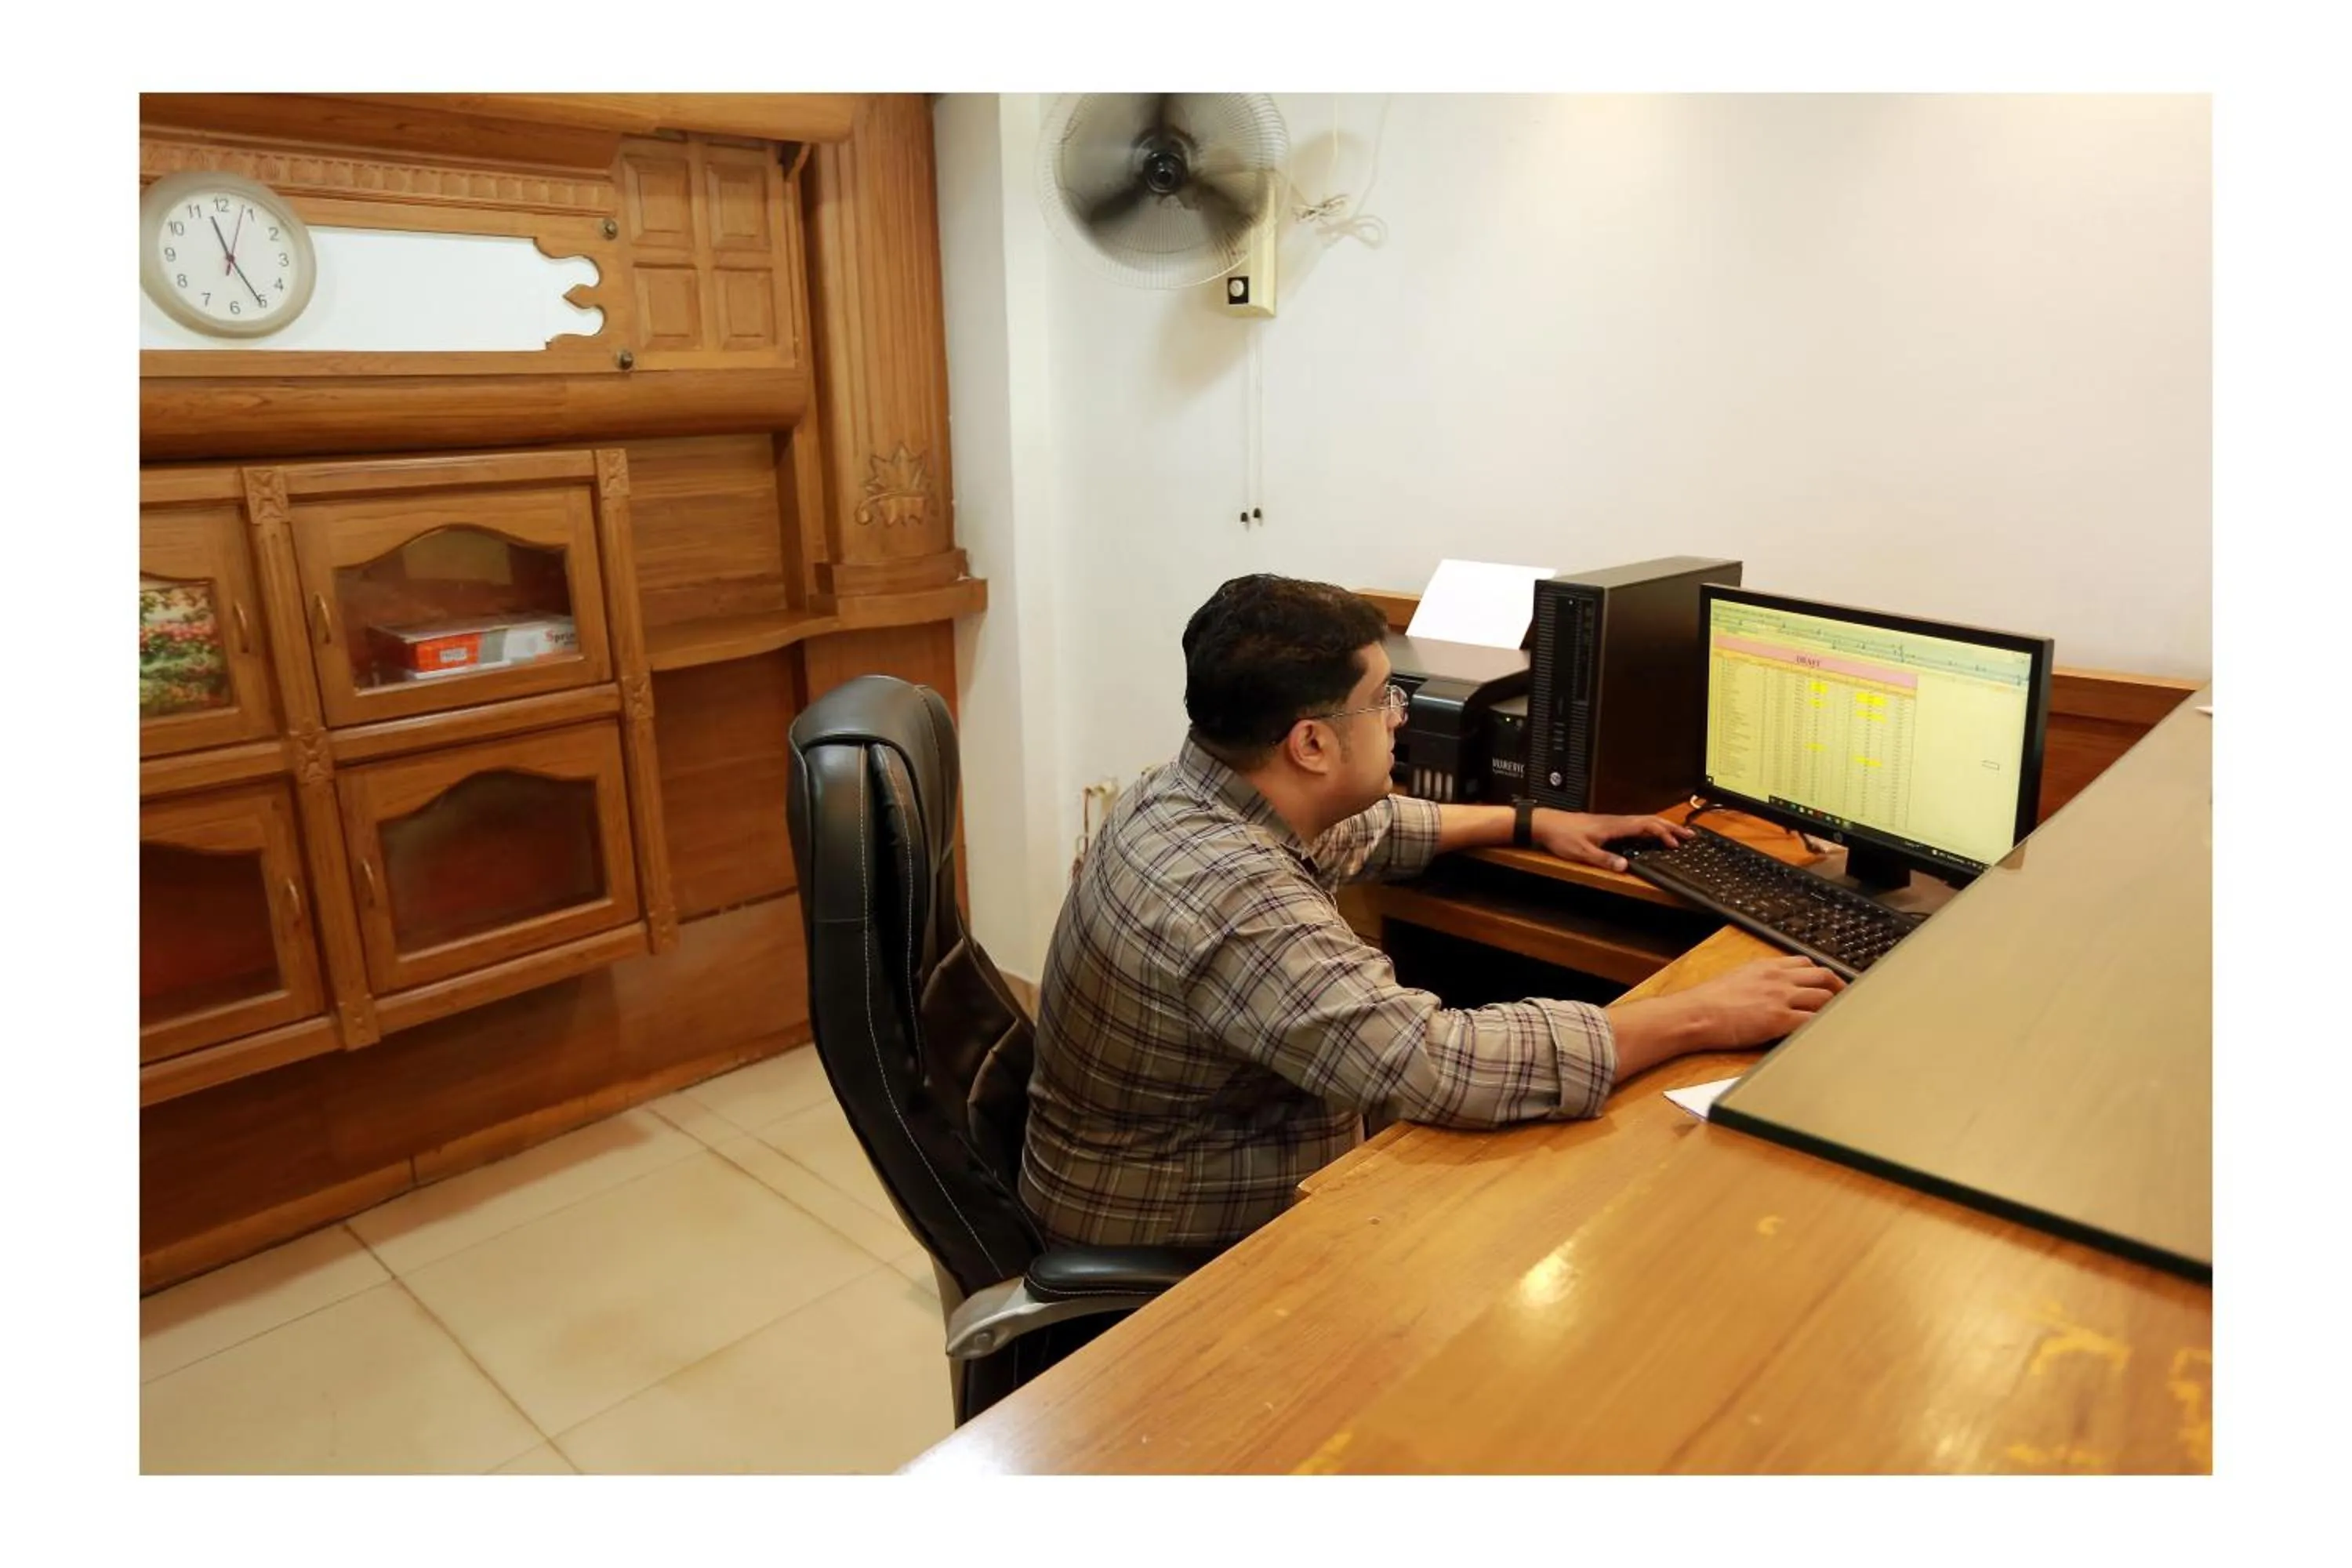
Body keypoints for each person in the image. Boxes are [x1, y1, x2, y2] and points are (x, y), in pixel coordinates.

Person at [1020, 573, 1846, 1253]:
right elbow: (1436, 1064)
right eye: (1385, 701)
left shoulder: (1192, 791)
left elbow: (1366, 828)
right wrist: (1702, 1011)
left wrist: (1530, 821)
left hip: (1148, 1158)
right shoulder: (1230, 894)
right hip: (1173, 1223)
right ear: (1311, 744)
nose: (1401, 719)